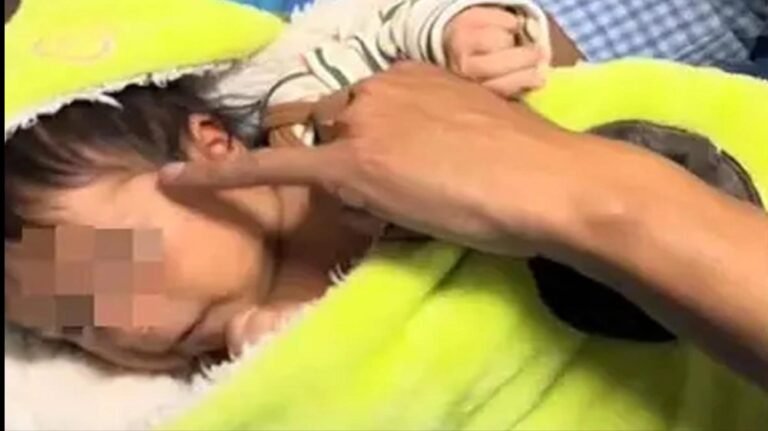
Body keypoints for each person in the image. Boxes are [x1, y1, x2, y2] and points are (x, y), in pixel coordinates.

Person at [2, 1, 555, 372]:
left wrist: (468, 34)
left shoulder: (318, 111)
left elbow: (391, 25)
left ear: (212, 145)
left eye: (117, 270)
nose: (129, 334)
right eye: (74, 327)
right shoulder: (227, 373)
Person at [159, 63, 768, 389]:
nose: (121, 321)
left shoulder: (314, 90)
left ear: (209, 143)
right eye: (84, 333)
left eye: (118, 252)